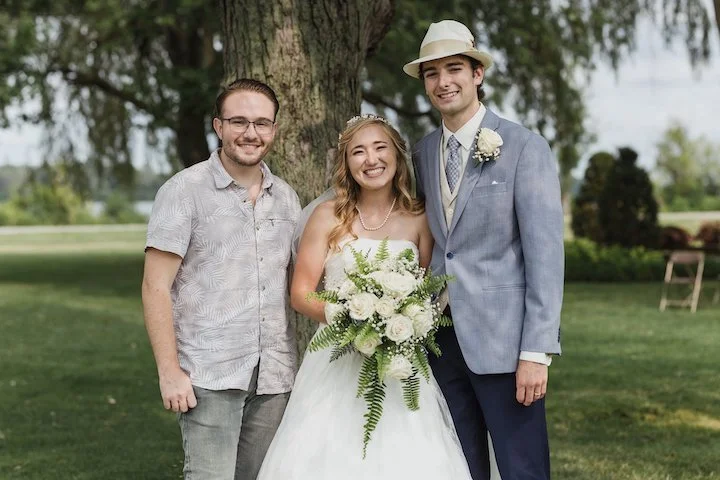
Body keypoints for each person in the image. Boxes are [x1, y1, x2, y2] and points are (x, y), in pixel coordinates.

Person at [256, 115, 473, 479]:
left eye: (380, 147)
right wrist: (353, 321)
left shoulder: (420, 218)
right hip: (334, 363)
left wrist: (399, 321)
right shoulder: (327, 216)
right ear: (347, 163)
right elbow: (301, 293)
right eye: (358, 151)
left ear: (397, 156)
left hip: (399, 365)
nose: (371, 159)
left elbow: (425, 290)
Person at [404, 20, 564, 480]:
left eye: (454, 69)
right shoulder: (421, 153)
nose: (443, 82)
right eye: (432, 73)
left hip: (506, 343)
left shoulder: (523, 147)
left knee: (522, 467)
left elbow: (545, 258)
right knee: (458, 466)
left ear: (477, 74)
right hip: (439, 338)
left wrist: (536, 351)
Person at [141, 78, 301, 480]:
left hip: (275, 375)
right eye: (239, 122)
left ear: (274, 129)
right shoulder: (183, 191)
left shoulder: (286, 198)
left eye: (261, 123)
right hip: (209, 374)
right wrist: (169, 372)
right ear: (219, 126)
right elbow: (155, 287)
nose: (251, 133)